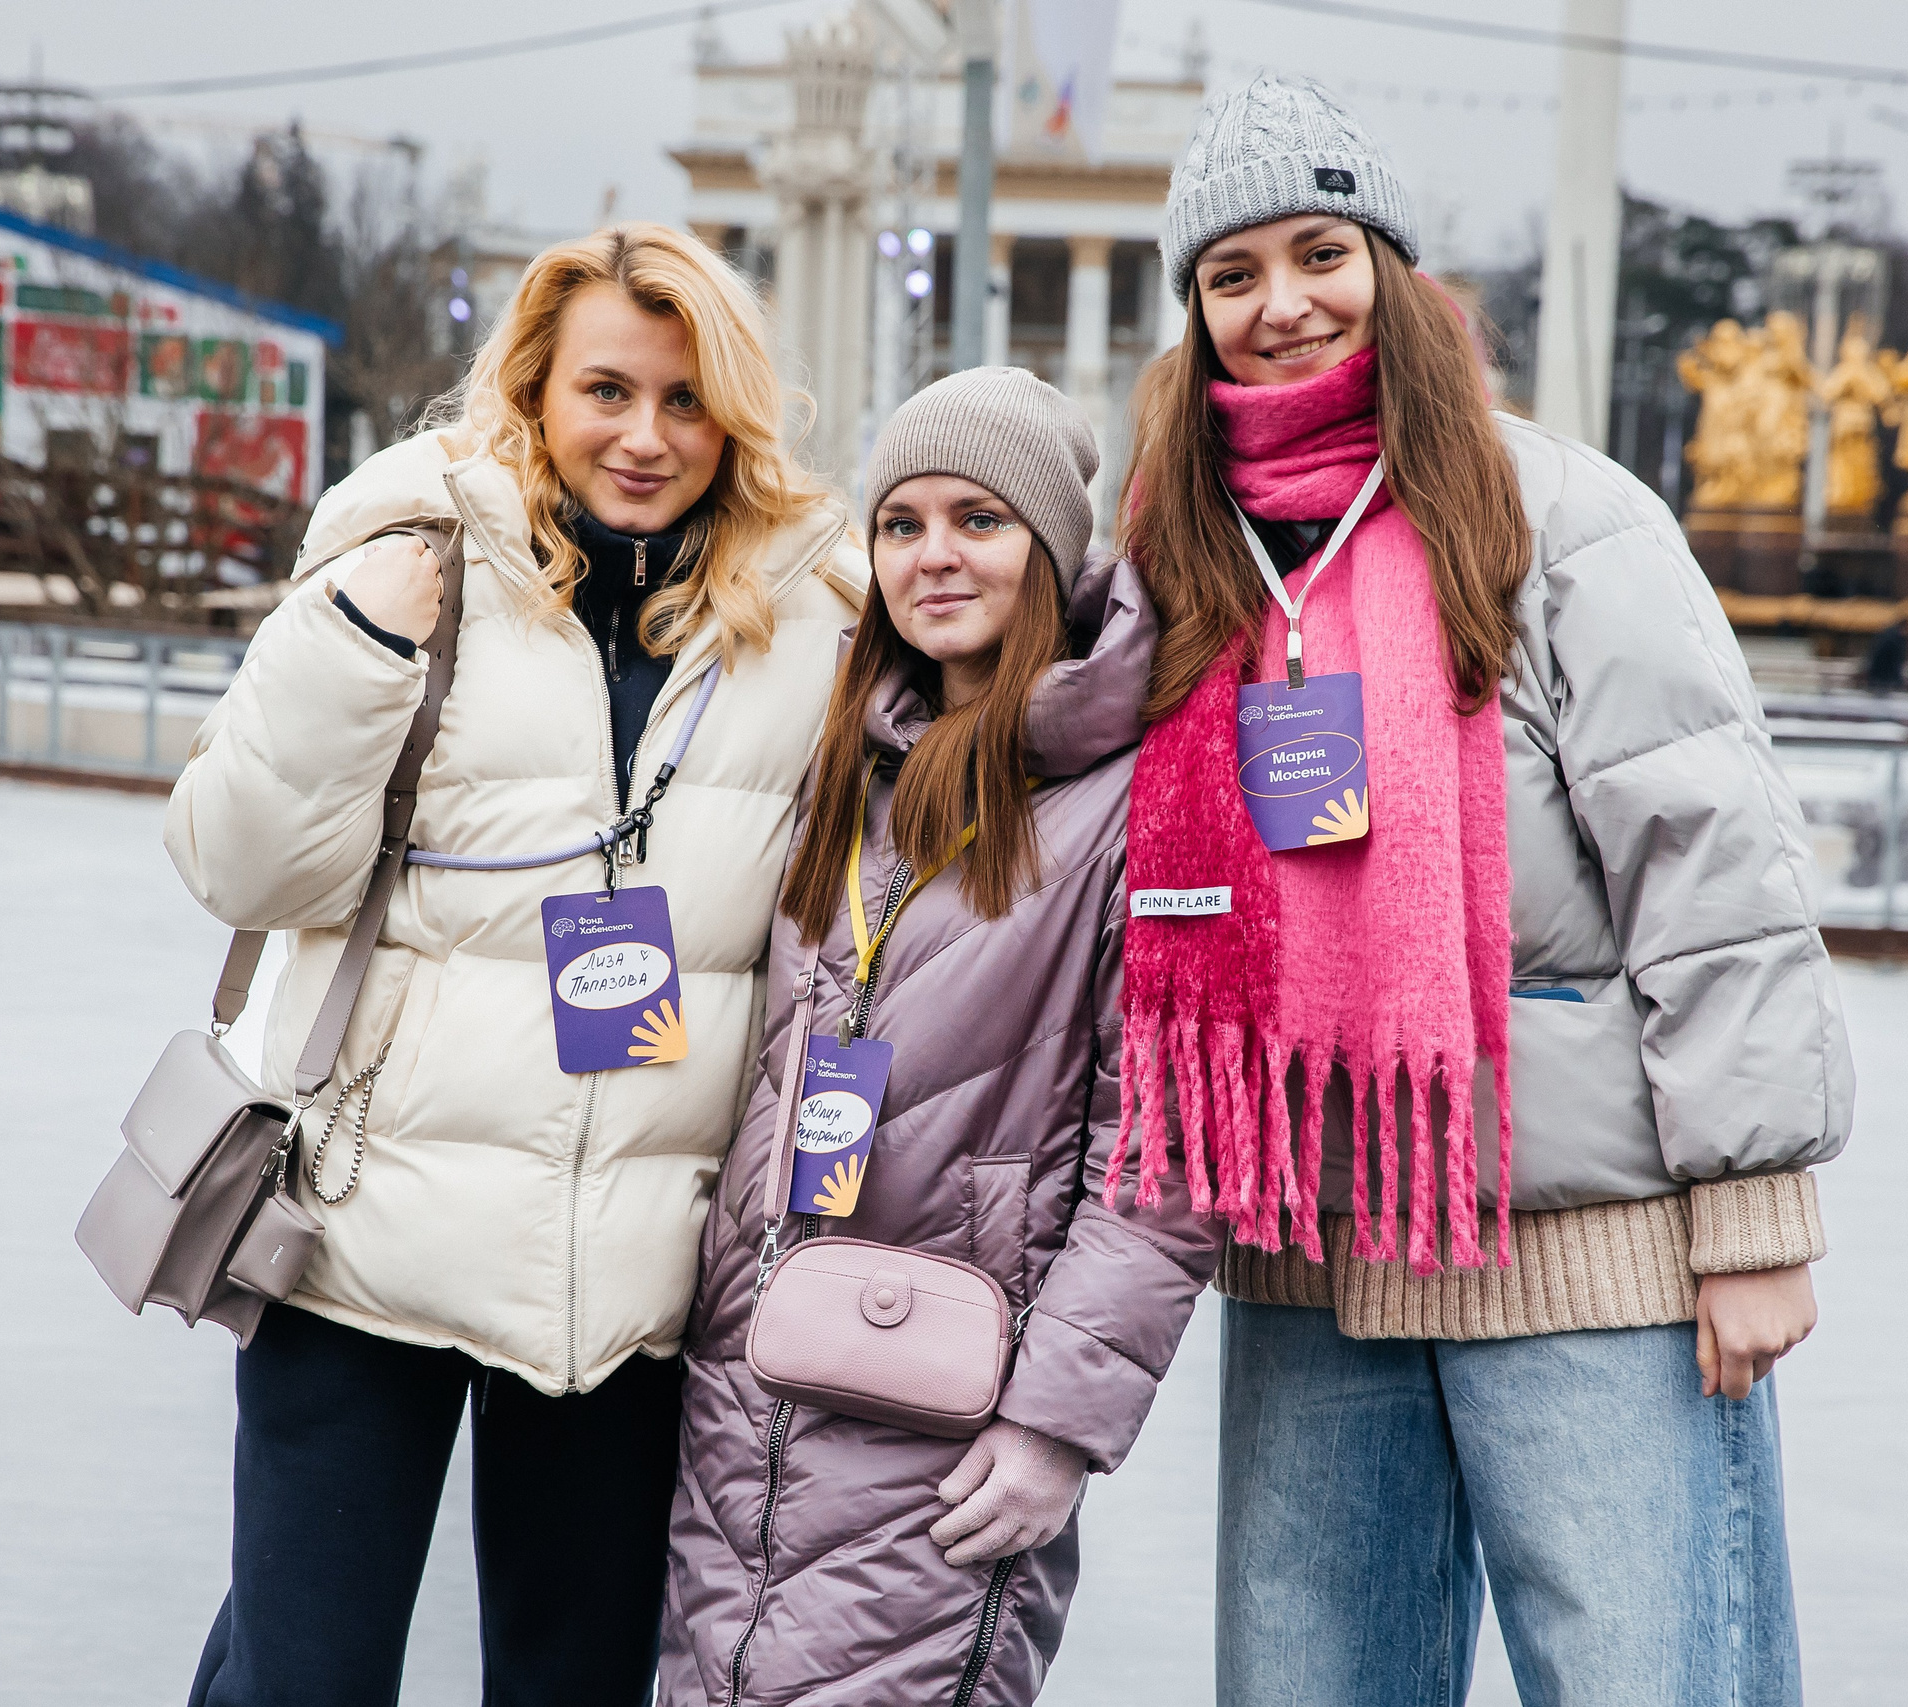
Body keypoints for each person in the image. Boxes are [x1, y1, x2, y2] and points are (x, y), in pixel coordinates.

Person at [1112, 75, 1854, 1706]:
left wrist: (1754, 1214)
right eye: (1231, 276)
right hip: (1317, 1248)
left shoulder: (1562, 520)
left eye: (1318, 252)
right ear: (1194, 316)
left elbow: (1714, 871)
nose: (1282, 305)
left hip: (1583, 1243)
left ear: (1387, 261)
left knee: (1647, 1676)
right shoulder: (1178, 561)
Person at [161, 224, 867, 1705]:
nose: (646, 436)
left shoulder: (815, 619)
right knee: (303, 1680)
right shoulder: (410, 561)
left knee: (579, 1687)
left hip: (629, 1284)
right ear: (535, 387)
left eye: (686, 401)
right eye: (608, 390)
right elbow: (244, 867)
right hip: (365, 1240)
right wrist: (356, 640)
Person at [658, 368, 1220, 1706]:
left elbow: (1164, 1152)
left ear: (1050, 549)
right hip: (749, 1391)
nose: (934, 555)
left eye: (978, 519)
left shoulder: (1135, 805)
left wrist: (1056, 1427)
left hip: (949, 1416)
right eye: (902, 523)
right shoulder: (853, 762)